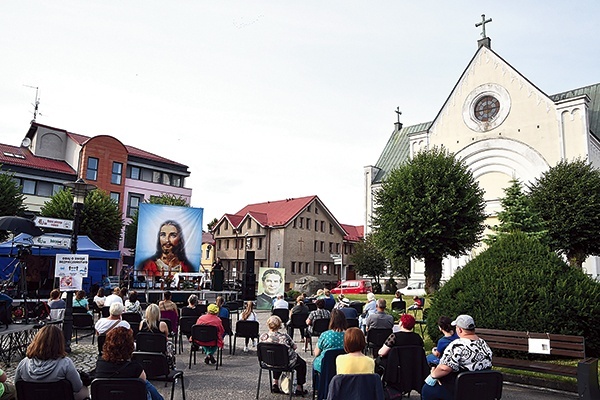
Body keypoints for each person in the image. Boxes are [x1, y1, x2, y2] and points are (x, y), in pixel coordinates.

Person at [421, 315, 493, 400]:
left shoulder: (456, 345)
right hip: (482, 390)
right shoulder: (484, 344)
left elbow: (444, 368)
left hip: (459, 390)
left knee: (427, 389)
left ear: (460, 330)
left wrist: (433, 375)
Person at [15, 325, 89, 400]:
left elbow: (17, 387)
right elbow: (77, 387)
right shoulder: (65, 364)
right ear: (60, 343)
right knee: (84, 390)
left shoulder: (23, 364)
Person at [95, 327, 164, 400]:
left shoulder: (100, 364)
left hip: (106, 395)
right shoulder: (135, 368)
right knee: (145, 384)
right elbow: (143, 380)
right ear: (130, 346)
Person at [260, 315, 308, 396]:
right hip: (285, 363)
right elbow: (295, 347)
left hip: (268, 362)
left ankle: (275, 383)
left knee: (274, 356)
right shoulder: (284, 337)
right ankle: (299, 387)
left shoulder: (263, 337)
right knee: (302, 363)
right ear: (279, 325)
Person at [139, 304, 176, 369]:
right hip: (159, 351)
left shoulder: (142, 323)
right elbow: (166, 337)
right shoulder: (162, 325)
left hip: (145, 351)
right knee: (170, 346)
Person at [313, 309, 347, 374]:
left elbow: (316, 353)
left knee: (315, 362)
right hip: (343, 366)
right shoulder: (348, 335)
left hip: (325, 366)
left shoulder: (325, 335)